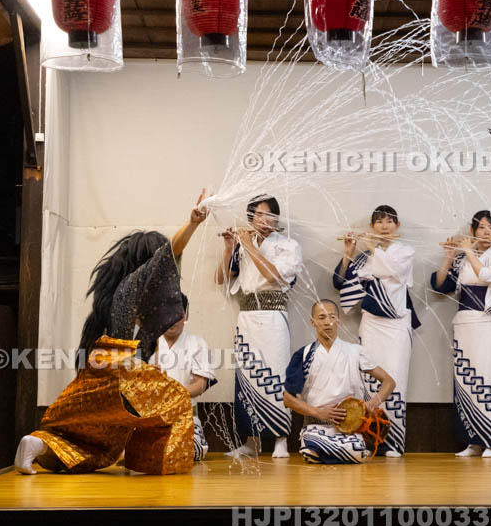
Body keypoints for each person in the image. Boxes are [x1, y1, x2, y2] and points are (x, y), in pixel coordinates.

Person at [14, 190, 212, 475]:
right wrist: (193, 223)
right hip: (121, 369)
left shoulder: (117, 296)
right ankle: (151, 463)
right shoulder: (137, 282)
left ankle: (37, 445)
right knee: (177, 401)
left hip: (99, 372)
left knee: (98, 444)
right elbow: (172, 251)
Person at [215, 194, 303, 459]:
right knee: (246, 377)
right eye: (259, 215)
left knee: (275, 375)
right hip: (247, 318)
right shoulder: (243, 244)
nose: (265, 220)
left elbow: (274, 276)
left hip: (274, 316)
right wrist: (231, 247)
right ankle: (251, 442)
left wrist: (248, 245)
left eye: (270, 215)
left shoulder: (288, 245)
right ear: (250, 218)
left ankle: (280, 440)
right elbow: (220, 278)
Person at [333, 204, 420, 457]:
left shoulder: (405, 250)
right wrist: (349, 252)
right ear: (371, 226)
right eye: (379, 222)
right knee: (369, 379)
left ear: (397, 226)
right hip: (371, 323)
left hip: (396, 324)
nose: (384, 226)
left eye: (389, 221)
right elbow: (338, 282)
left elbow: (392, 270)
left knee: (396, 379)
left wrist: (371, 246)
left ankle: (394, 442)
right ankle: (370, 438)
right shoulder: (362, 256)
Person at [431, 210, 491, 458]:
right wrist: (449, 258)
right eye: (481, 228)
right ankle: (473, 442)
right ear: (473, 232)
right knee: (466, 381)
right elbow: (439, 285)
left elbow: (489, 276)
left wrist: (468, 252)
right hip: (464, 323)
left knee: (489, 378)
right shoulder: (461, 258)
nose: (486, 232)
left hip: (489, 323)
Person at [283, 299, 396, 464]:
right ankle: (329, 450)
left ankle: (343, 451)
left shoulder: (355, 352)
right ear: (313, 322)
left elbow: (389, 382)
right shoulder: (304, 355)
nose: (327, 322)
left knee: (355, 451)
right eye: (321, 317)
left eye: (332, 317)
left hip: (350, 428)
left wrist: (371, 404)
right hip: (317, 427)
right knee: (311, 450)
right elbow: (287, 398)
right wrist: (317, 412)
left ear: (338, 320)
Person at [148, 294, 217, 461]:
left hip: (185, 416)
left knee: (191, 451)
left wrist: (170, 394)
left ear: (186, 315)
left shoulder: (197, 344)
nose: (172, 319)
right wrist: (147, 378)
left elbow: (199, 386)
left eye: (177, 314)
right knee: (138, 452)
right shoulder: (148, 345)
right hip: (153, 419)